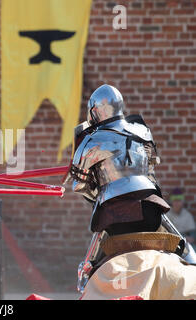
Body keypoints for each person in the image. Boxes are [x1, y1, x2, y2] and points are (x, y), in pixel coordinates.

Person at [67, 84, 196, 299]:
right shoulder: (143, 131)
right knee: (175, 236)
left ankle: (86, 276)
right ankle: (191, 258)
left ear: (94, 111)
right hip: (149, 200)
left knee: (97, 245)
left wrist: (97, 185)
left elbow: (78, 184)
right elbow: (152, 165)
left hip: (112, 208)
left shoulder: (90, 140)